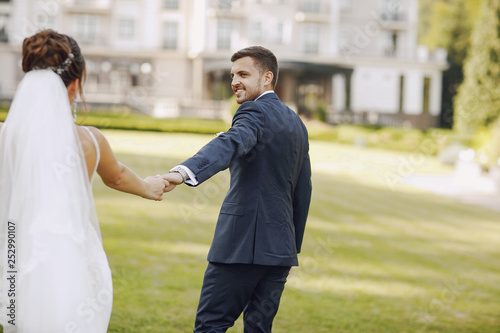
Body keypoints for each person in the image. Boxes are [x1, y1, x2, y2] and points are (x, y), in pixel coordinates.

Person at [0, 29, 169, 333]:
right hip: (74, 263)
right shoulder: (90, 140)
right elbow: (116, 176)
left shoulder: (5, 138)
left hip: (15, 258)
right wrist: (149, 187)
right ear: (75, 85)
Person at [163, 46, 312, 332]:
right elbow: (302, 190)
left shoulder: (253, 111)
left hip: (242, 247)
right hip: (279, 253)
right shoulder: (296, 123)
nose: (235, 81)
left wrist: (183, 172)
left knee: (211, 325)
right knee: (258, 328)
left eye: (243, 74)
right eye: (232, 75)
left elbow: (230, 143)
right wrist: (291, 249)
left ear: (267, 78)